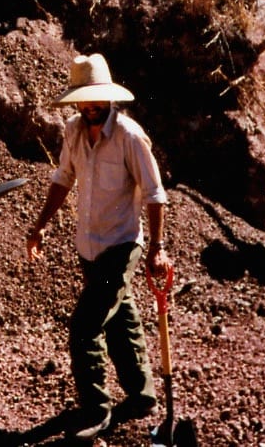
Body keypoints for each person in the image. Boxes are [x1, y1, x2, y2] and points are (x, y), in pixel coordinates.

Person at [26, 54, 170, 439]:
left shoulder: (129, 136)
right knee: (122, 318)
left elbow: (155, 195)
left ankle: (96, 410)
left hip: (122, 244)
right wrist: (39, 226)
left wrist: (157, 247)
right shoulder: (73, 130)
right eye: (83, 100)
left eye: (96, 100)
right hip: (87, 245)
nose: (90, 107)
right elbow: (62, 179)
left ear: (108, 98)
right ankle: (142, 396)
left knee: (86, 327)